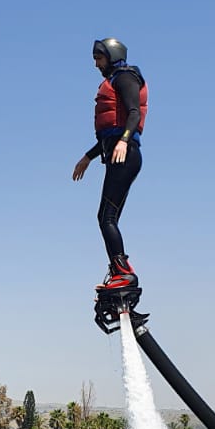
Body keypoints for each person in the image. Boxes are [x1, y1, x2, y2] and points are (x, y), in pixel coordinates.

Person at [72, 36, 147, 292]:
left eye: (99, 58)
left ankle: (123, 273)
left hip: (126, 155)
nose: (96, 64)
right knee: (108, 217)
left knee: (106, 217)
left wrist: (124, 141)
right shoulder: (115, 79)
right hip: (119, 154)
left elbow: (134, 113)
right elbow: (108, 135)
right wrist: (88, 157)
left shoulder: (126, 77)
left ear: (112, 56)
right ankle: (119, 272)